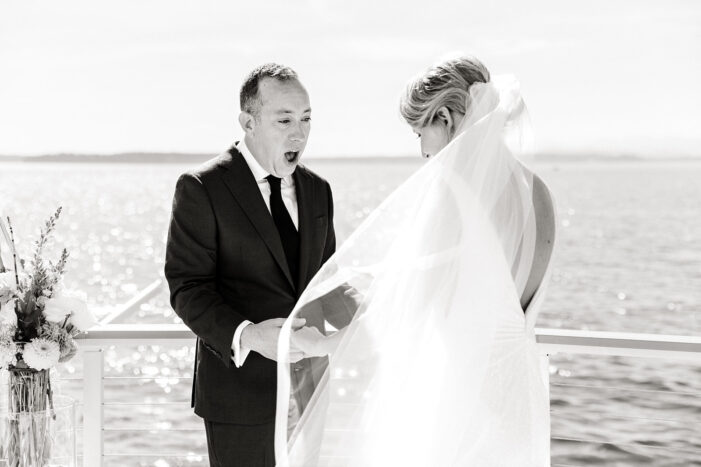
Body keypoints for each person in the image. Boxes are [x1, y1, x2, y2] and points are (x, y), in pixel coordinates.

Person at [275, 56, 557, 466]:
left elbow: (404, 317)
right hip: (519, 403)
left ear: (444, 116)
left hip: (458, 408)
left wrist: (319, 343)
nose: (423, 151)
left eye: (419, 132)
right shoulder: (540, 193)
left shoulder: (452, 194)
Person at [165, 63, 353, 467]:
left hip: (310, 389)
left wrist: (377, 312)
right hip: (239, 397)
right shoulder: (201, 188)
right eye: (283, 119)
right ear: (248, 122)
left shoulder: (319, 190)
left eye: (305, 119)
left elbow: (328, 282)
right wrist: (249, 336)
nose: (298, 133)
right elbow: (187, 287)